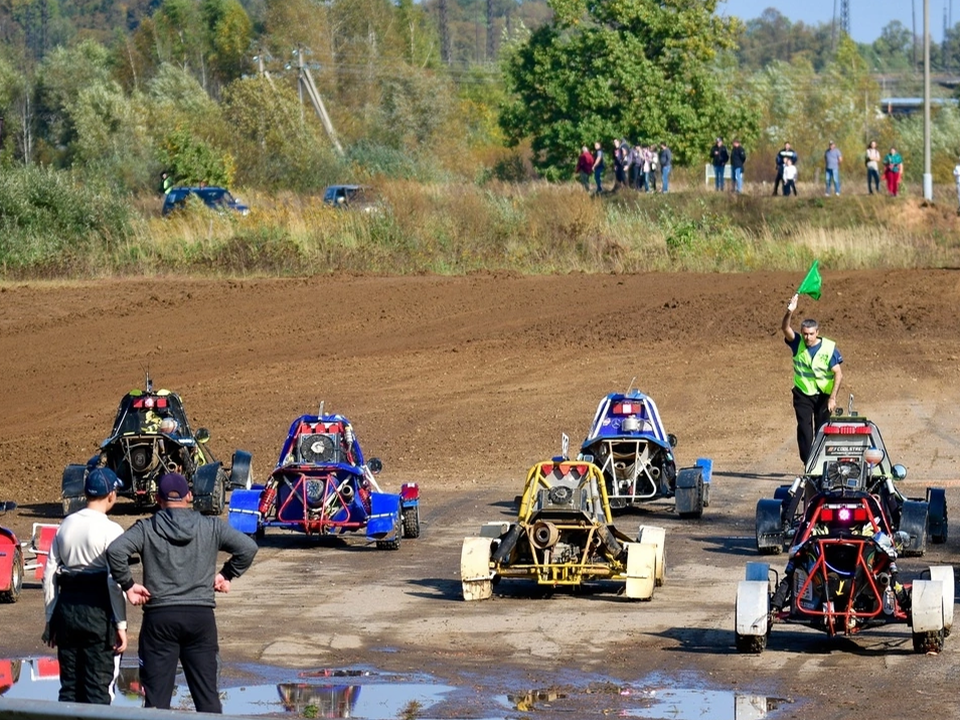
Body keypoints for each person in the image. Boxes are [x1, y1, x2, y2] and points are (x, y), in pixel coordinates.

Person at [106, 473, 258, 713]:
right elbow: (248, 548)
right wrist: (226, 574)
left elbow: (115, 551)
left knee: (156, 702)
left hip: (159, 619)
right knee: (207, 699)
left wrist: (128, 585)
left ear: (158, 498)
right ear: (189, 496)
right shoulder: (212, 526)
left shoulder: (147, 527)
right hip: (200, 618)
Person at [42, 468, 127, 705]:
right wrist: (121, 624)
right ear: (111, 494)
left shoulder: (65, 525)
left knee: (69, 687)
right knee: (98, 688)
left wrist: (51, 619)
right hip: (98, 613)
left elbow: (49, 573)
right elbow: (114, 582)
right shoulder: (112, 531)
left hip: (66, 611)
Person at [781, 293, 844, 464]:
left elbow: (838, 373)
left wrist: (832, 398)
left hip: (824, 395)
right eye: (805, 334)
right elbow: (785, 329)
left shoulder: (829, 348)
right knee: (804, 430)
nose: (807, 337)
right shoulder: (797, 343)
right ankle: (809, 463)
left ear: (817, 332)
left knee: (823, 430)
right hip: (803, 394)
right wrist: (789, 312)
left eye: (810, 334)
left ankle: (823, 463)